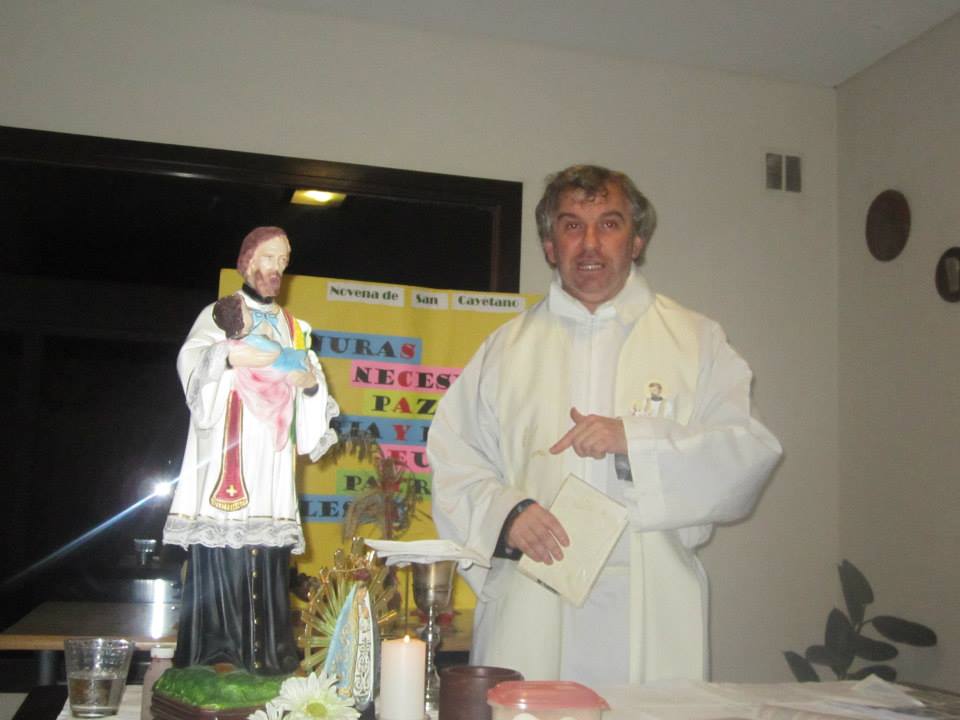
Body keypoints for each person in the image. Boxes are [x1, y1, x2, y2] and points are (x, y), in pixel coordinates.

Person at [428, 165, 782, 686]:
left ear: (637, 241)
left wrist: (634, 441)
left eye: (609, 224)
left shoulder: (696, 341)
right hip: (533, 599)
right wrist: (507, 515)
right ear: (550, 246)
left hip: (651, 602)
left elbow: (747, 452)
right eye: (572, 226)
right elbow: (453, 456)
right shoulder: (506, 349)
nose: (590, 243)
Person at [164, 226, 339, 675]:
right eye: (268, 257)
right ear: (247, 262)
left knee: (268, 549)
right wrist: (227, 357)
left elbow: (312, 385)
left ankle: (266, 653)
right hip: (231, 447)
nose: (275, 268)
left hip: (272, 458)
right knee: (225, 544)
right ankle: (216, 650)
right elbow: (191, 360)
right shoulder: (219, 314)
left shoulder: (293, 327)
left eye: (283, 260)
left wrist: (310, 384)